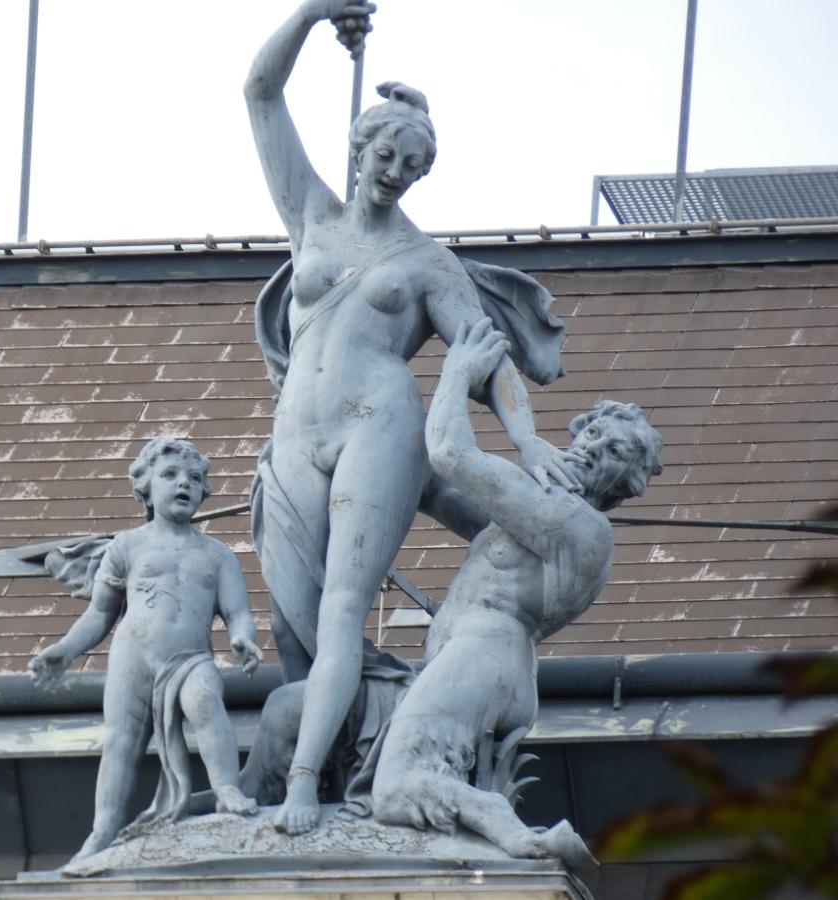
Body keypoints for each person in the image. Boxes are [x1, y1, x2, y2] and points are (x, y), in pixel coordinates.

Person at [245, 0, 580, 834]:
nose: (395, 171)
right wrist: (313, 12)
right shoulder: (311, 217)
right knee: (293, 625)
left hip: (379, 425)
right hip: (295, 436)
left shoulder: (429, 263)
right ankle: (336, 755)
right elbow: (259, 93)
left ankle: (301, 786)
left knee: (340, 609)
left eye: (412, 165)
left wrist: (527, 439)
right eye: (386, 155)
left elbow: (486, 355)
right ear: (359, 150)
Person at [363, 318, 662, 864]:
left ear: (629, 483)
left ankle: (512, 832)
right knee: (403, 776)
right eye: (592, 433)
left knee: (396, 787)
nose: (593, 447)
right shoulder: (534, 517)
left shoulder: (577, 523)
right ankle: (488, 837)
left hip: (485, 655)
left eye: (616, 450)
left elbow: (450, 453)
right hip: (482, 660)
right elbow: (436, 490)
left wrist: (457, 371)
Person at [29, 437, 264, 862]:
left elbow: (238, 613)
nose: (184, 484)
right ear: (145, 488)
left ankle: (227, 789)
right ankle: (103, 830)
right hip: (133, 656)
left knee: (205, 701)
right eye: (170, 475)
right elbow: (100, 614)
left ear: (203, 491)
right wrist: (64, 650)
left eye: (194, 478)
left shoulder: (218, 556)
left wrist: (243, 638)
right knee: (121, 741)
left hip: (192, 657)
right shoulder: (127, 546)